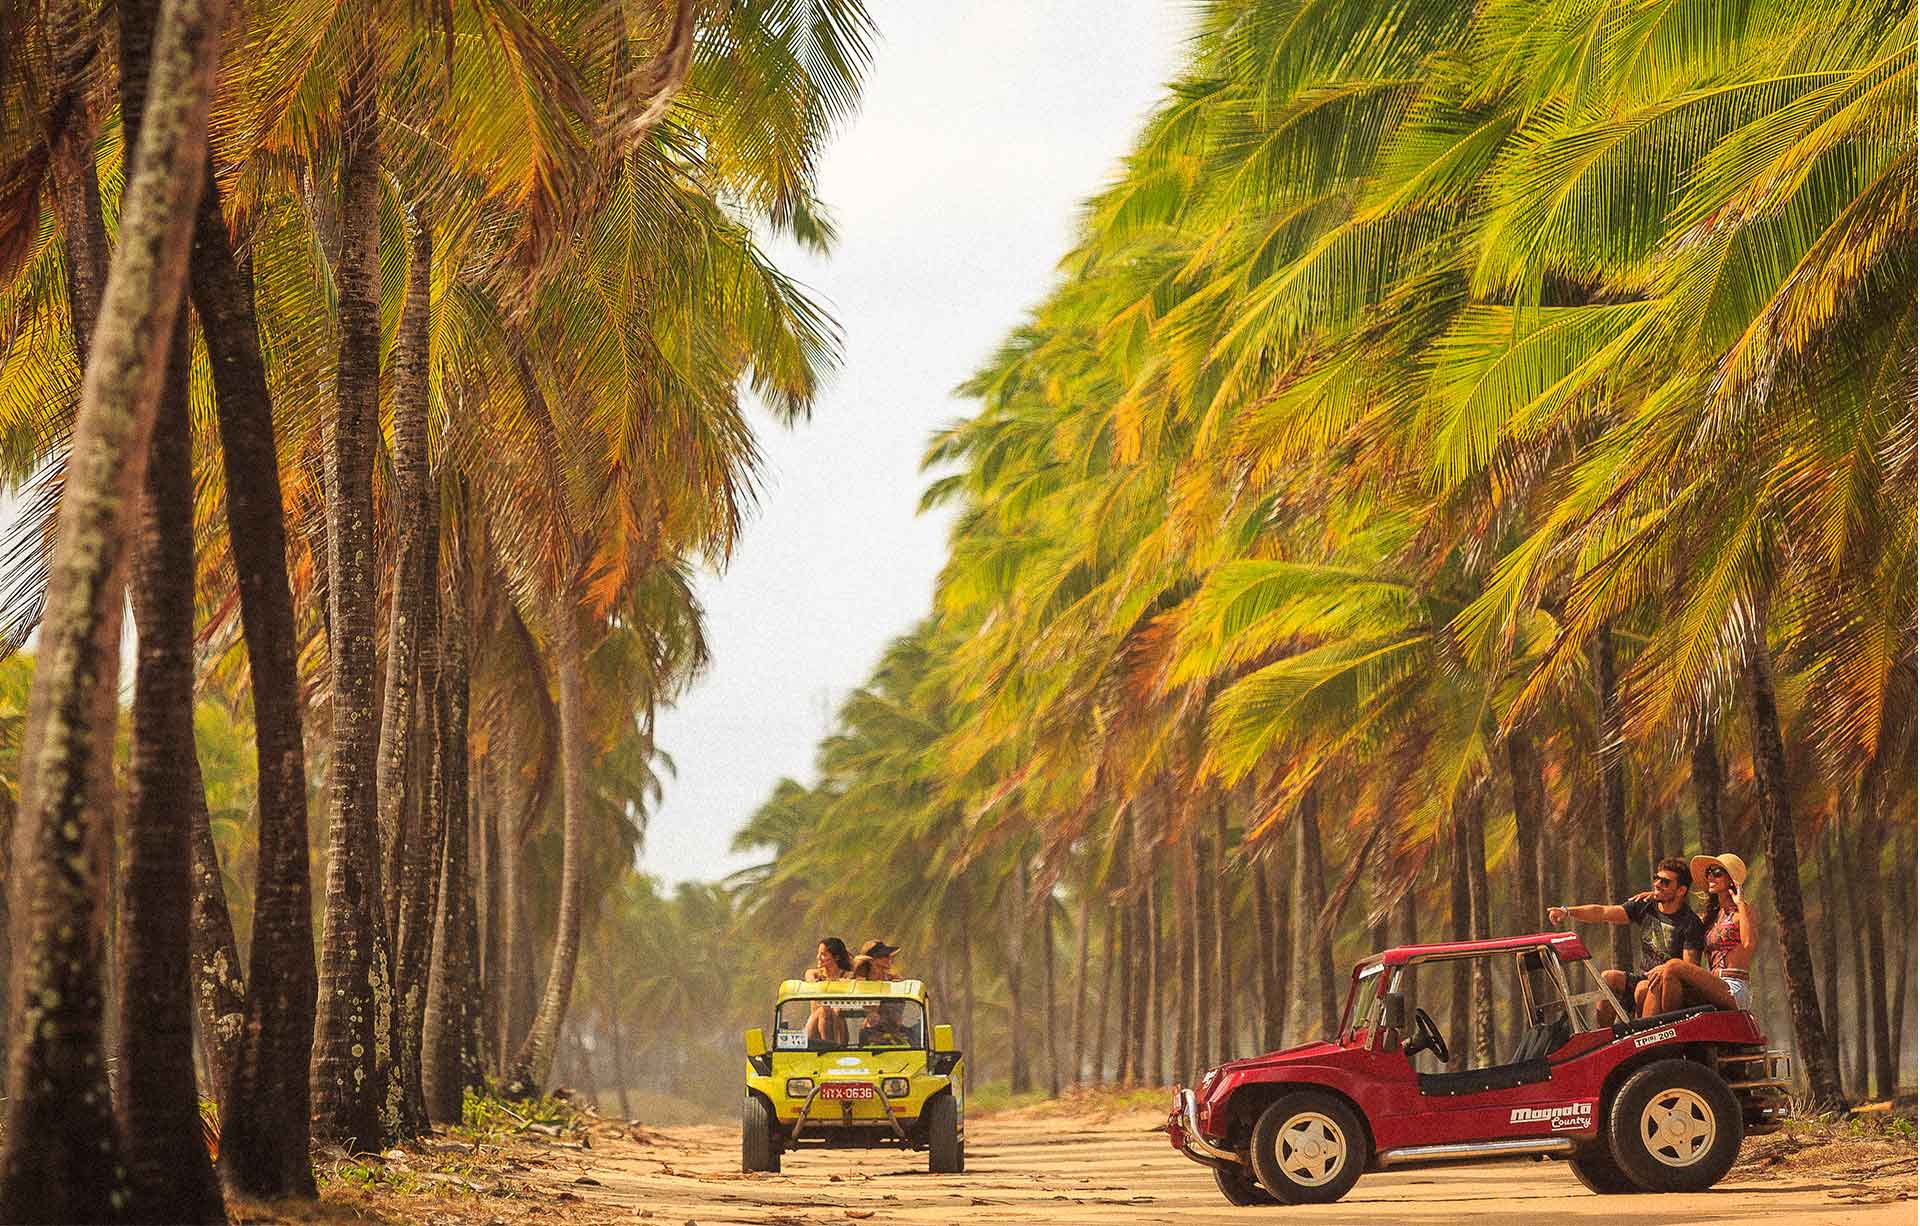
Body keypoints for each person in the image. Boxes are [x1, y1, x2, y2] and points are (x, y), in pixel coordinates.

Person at [1547, 857, 1705, 1021]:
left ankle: (1643, 1042)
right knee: (1608, 977)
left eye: (1665, 882)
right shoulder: (1645, 905)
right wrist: (1567, 911)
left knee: (1643, 988)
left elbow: (1690, 969)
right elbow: (1602, 912)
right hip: (1644, 979)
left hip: (1668, 988)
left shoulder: (1690, 923)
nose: (1657, 884)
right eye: (1656, 878)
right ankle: (1606, 1040)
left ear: (1680, 891)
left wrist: (1666, 970)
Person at [1640, 853, 1756, 1015]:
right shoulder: (1710, 917)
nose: (1710, 876)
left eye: (1717, 873)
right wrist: (1657, 898)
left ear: (1731, 879)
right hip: (1712, 984)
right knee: (1656, 982)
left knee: (1673, 965)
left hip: (1734, 988)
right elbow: (1681, 916)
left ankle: (1669, 1026)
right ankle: (1648, 1035)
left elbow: (1748, 944)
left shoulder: (1741, 912)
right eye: (1709, 872)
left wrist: (1740, 903)